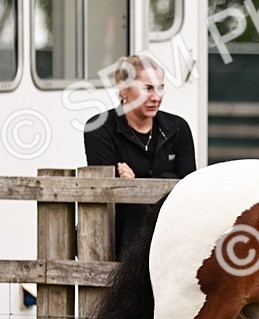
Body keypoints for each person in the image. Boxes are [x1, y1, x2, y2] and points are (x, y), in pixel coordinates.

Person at [84, 54, 197, 255]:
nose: (156, 97)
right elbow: (108, 193)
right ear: (123, 89)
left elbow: (188, 187)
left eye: (161, 87)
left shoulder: (178, 127)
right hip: (120, 231)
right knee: (135, 212)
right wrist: (165, 181)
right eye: (148, 88)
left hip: (171, 223)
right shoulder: (99, 128)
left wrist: (137, 183)